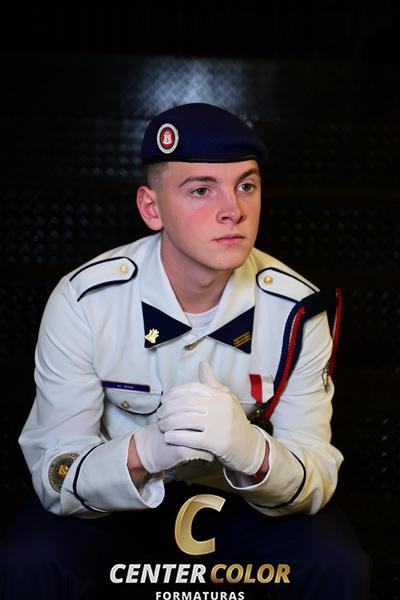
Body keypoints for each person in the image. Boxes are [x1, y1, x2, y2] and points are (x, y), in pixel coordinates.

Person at [0, 103, 370, 599]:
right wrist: (146, 451)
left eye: (246, 185)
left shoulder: (297, 311)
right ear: (151, 208)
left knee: (338, 565)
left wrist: (253, 453)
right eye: (201, 189)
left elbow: (316, 474)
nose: (233, 210)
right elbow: (56, 472)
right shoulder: (86, 302)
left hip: (241, 505)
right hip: (119, 507)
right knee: (28, 560)